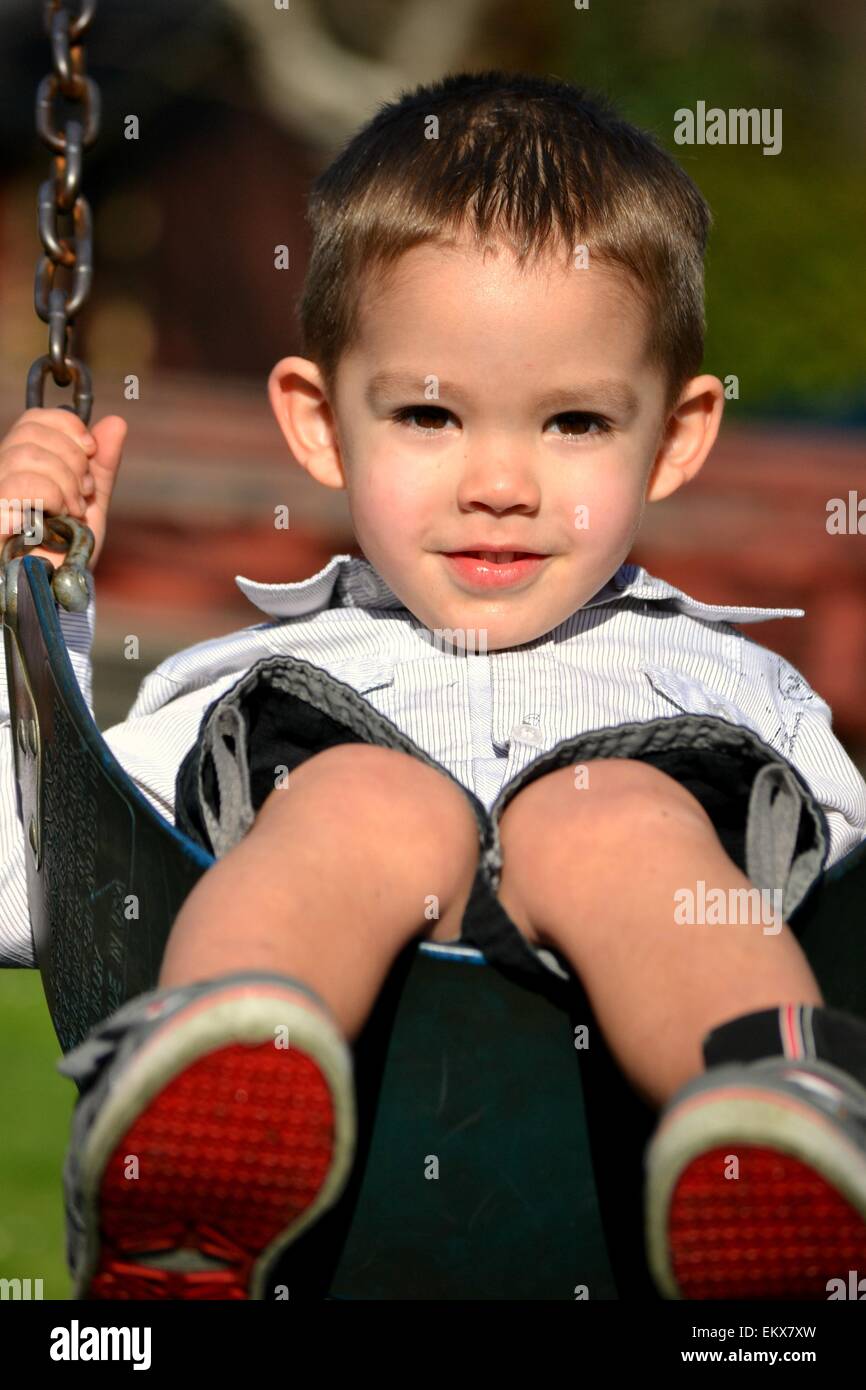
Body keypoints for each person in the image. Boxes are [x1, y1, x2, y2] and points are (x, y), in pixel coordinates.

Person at [1, 71, 865, 1302]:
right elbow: (34, 881)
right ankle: (204, 1147)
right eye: (424, 414)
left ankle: (776, 1162)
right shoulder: (246, 681)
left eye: (570, 422)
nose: (498, 482)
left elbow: (843, 919)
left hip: (620, 1152)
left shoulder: (746, 690)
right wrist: (37, 603)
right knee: (367, 802)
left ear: (672, 438)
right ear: (316, 419)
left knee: (609, 818)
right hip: (354, 1164)